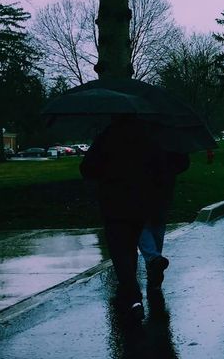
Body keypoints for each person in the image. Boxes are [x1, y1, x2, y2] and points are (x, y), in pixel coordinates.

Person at [81, 115, 165, 321]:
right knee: (131, 248)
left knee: (121, 253)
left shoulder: (106, 137)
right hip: (138, 203)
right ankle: (135, 290)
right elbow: (159, 168)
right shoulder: (145, 137)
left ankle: (133, 297)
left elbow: (87, 168)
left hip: (113, 205)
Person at [138, 150, 190, 288]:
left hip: (142, 183)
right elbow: (184, 163)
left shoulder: (138, 142)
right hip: (164, 185)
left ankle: (153, 259)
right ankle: (154, 264)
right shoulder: (170, 143)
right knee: (157, 224)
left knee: (141, 224)